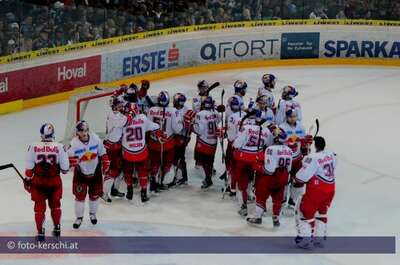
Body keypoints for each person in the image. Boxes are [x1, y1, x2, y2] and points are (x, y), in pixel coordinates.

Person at [24, 123, 69, 241]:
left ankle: (40, 232)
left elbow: (29, 169)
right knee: (55, 205)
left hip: (38, 182)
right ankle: (57, 228)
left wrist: (27, 180)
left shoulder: (33, 146)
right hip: (54, 182)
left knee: (39, 208)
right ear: (53, 134)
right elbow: (65, 169)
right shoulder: (60, 146)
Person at [294, 136, 337, 249]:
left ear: (315, 146)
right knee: (322, 212)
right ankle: (320, 239)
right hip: (330, 189)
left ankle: (306, 239)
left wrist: (305, 160)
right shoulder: (331, 154)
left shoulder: (312, 157)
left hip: (317, 190)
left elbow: (301, 178)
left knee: (304, 211)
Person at [67, 121, 110, 229]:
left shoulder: (95, 138)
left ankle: (92, 214)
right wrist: (71, 162)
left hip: (95, 172)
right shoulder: (74, 143)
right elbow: (68, 158)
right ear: (77, 132)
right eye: (82, 131)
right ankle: (79, 217)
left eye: (86, 130)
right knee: (79, 197)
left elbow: (102, 152)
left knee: (94, 196)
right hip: (80, 173)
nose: (84, 133)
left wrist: (105, 161)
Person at [247, 127, 292, 227]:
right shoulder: (289, 150)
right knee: (278, 198)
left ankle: (258, 217)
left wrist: (258, 166)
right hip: (283, 177)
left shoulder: (270, 149)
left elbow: (269, 170)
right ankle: (276, 218)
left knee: (261, 195)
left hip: (271, 178)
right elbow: (289, 169)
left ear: (276, 139)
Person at [233, 110, 274, 217]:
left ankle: (243, 205)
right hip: (258, 158)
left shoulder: (246, 128)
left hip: (244, 158)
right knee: (257, 182)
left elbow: (237, 143)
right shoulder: (267, 131)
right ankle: (260, 206)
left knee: (241, 182)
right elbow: (269, 145)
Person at [122, 103, 163, 202]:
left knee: (128, 172)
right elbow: (156, 127)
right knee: (143, 172)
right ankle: (144, 193)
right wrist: (159, 134)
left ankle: (129, 191)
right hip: (141, 152)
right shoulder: (143, 118)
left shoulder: (122, 120)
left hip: (127, 153)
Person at [147, 91, 183, 192]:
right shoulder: (173, 111)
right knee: (167, 163)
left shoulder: (151, 110)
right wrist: (183, 123)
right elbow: (177, 129)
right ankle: (161, 181)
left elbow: (148, 126)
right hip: (168, 143)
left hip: (154, 141)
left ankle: (153, 177)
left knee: (154, 162)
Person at [279, 109, 312, 213]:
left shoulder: (301, 127)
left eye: (294, 116)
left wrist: (306, 144)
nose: (292, 118)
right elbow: (280, 140)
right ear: (287, 117)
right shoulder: (282, 127)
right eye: (290, 116)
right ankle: (282, 200)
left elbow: (303, 143)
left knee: (298, 181)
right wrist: (296, 139)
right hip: (285, 158)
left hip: (297, 158)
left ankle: (293, 201)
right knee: (283, 181)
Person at [193, 96, 222, 189]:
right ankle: (208, 176)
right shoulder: (214, 113)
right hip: (213, 142)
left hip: (204, 141)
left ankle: (207, 179)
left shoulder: (200, 114)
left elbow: (199, 130)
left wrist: (192, 125)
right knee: (209, 162)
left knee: (199, 163)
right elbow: (219, 119)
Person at [102, 97, 127, 203]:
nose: (122, 107)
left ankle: (114, 190)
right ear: (115, 106)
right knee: (112, 171)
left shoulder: (115, 114)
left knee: (120, 170)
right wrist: (131, 114)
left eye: (122, 105)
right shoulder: (115, 116)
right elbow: (126, 121)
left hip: (116, 146)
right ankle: (104, 192)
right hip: (112, 148)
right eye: (119, 105)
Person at [169, 93, 193, 186]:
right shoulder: (174, 110)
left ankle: (181, 177)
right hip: (176, 136)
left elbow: (191, 125)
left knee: (179, 157)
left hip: (183, 136)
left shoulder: (187, 111)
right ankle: (182, 177)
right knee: (177, 157)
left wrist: (188, 126)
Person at [225, 96, 245, 196]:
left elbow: (231, 136)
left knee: (231, 166)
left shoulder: (232, 117)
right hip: (245, 147)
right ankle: (241, 188)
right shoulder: (246, 115)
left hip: (234, 145)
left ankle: (231, 186)